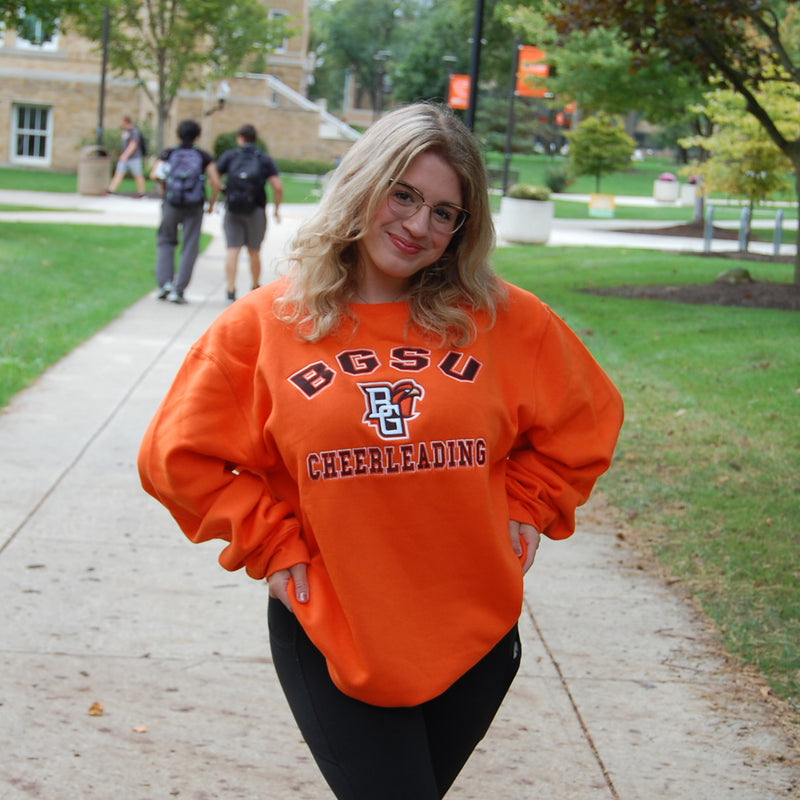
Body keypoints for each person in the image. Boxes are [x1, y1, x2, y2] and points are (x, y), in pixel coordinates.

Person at [137, 102, 624, 798]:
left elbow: (588, 419)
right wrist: (270, 543)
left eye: (444, 211)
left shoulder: (503, 320)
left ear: (463, 226)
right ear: (365, 183)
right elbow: (174, 455)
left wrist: (530, 501)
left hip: (476, 637)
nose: (418, 225)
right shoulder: (266, 326)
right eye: (404, 194)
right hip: (334, 629)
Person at [148, 119, 221, 304]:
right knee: (189, 246)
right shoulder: (203, 156)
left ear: (178, 134)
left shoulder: (169, 153)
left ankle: (164, 284)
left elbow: (154, 174)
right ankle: (179, 289)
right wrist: (212, 203)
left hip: (171, 204)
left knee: (165, 241)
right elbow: (216, 182)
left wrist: (166, 188)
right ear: (197, 136)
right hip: (194, 205)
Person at [215, 124, 283, 301]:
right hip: (256, 209)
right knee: (254, 251)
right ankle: (254, 287)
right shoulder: (263, 159)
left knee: (232, 249)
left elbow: (213, 177)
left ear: (240, 138)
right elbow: (277, 186)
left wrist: (217, 195)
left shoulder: (230, 156)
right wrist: (276, 209)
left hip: (233, 209)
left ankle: (230, 290)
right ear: (255, 138)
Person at [106, 115, 147, 197]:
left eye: (122, 121)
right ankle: (111, 190)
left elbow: (133, 144)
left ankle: (142, 193)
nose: (120, 123)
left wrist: (125, 155)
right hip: (125, 158)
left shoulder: (134, 131)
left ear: (126, 121)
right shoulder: (126, 132)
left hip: (134, 158)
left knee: (137, 175)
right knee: (119, 173)